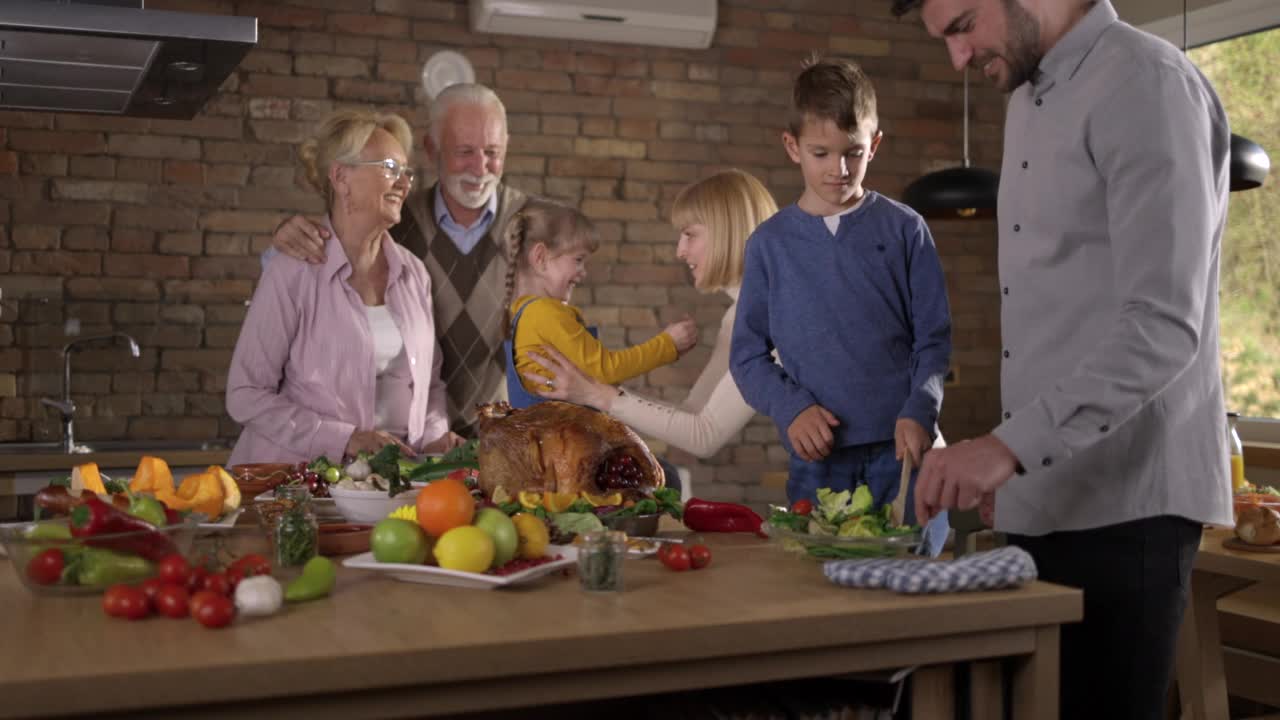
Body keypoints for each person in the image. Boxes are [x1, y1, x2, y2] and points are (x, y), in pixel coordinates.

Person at [894, 0, 1235, 716]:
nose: (958, 59)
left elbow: (1166, 324)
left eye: (961, 26)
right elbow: (1060, 314)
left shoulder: (1147, 84)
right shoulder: (1028, 95)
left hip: (1131, 508)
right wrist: (1014, 465)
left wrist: (1008, 446)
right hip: (1045, 499)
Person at [728, 57, 953, 544]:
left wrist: (921, 410)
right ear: (793, 148)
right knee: (822, 595)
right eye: (821, 153)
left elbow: (933, 342)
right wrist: (791, 409)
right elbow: (746, 357)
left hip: (905, 452)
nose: (839, 169)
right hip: (818, 461)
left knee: (912, 599)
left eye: (853, 152)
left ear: (874, 145)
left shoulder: (905, 229)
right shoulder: (769, 245)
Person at [268, 83, 526, 435]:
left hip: (493, 433)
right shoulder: (398, 221)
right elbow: (332, 241)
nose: (481, 168)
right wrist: (282, 240)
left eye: (492, 152)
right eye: (465, 151)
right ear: (432, 148)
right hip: (396, 449)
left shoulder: (540, 226)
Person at [226, 109, 464, 467]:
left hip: (385, 488)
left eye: (406, 172)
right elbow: (245, 395)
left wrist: (434, 437)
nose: (404, 182)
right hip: (295, 487)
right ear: (341, 177)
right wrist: (346, 440)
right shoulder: (292, 270)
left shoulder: (414, 274)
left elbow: (428, 387)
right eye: (389, 167)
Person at [521, 170, 777, 459]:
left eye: (689, 235)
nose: (680, 251)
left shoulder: (772, 315)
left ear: (726, 232)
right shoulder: (736, 316)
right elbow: (693, 414)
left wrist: (597, 395)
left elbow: (705, 435)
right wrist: (597, 392)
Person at [503, 198, 698, 409]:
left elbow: (594, 382)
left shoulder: (523, 312)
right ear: (540, 257)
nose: (583, 272)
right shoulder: (543, 313)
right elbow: (606, 371)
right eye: (578, 260)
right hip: (560, 438)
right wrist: (668, 344)